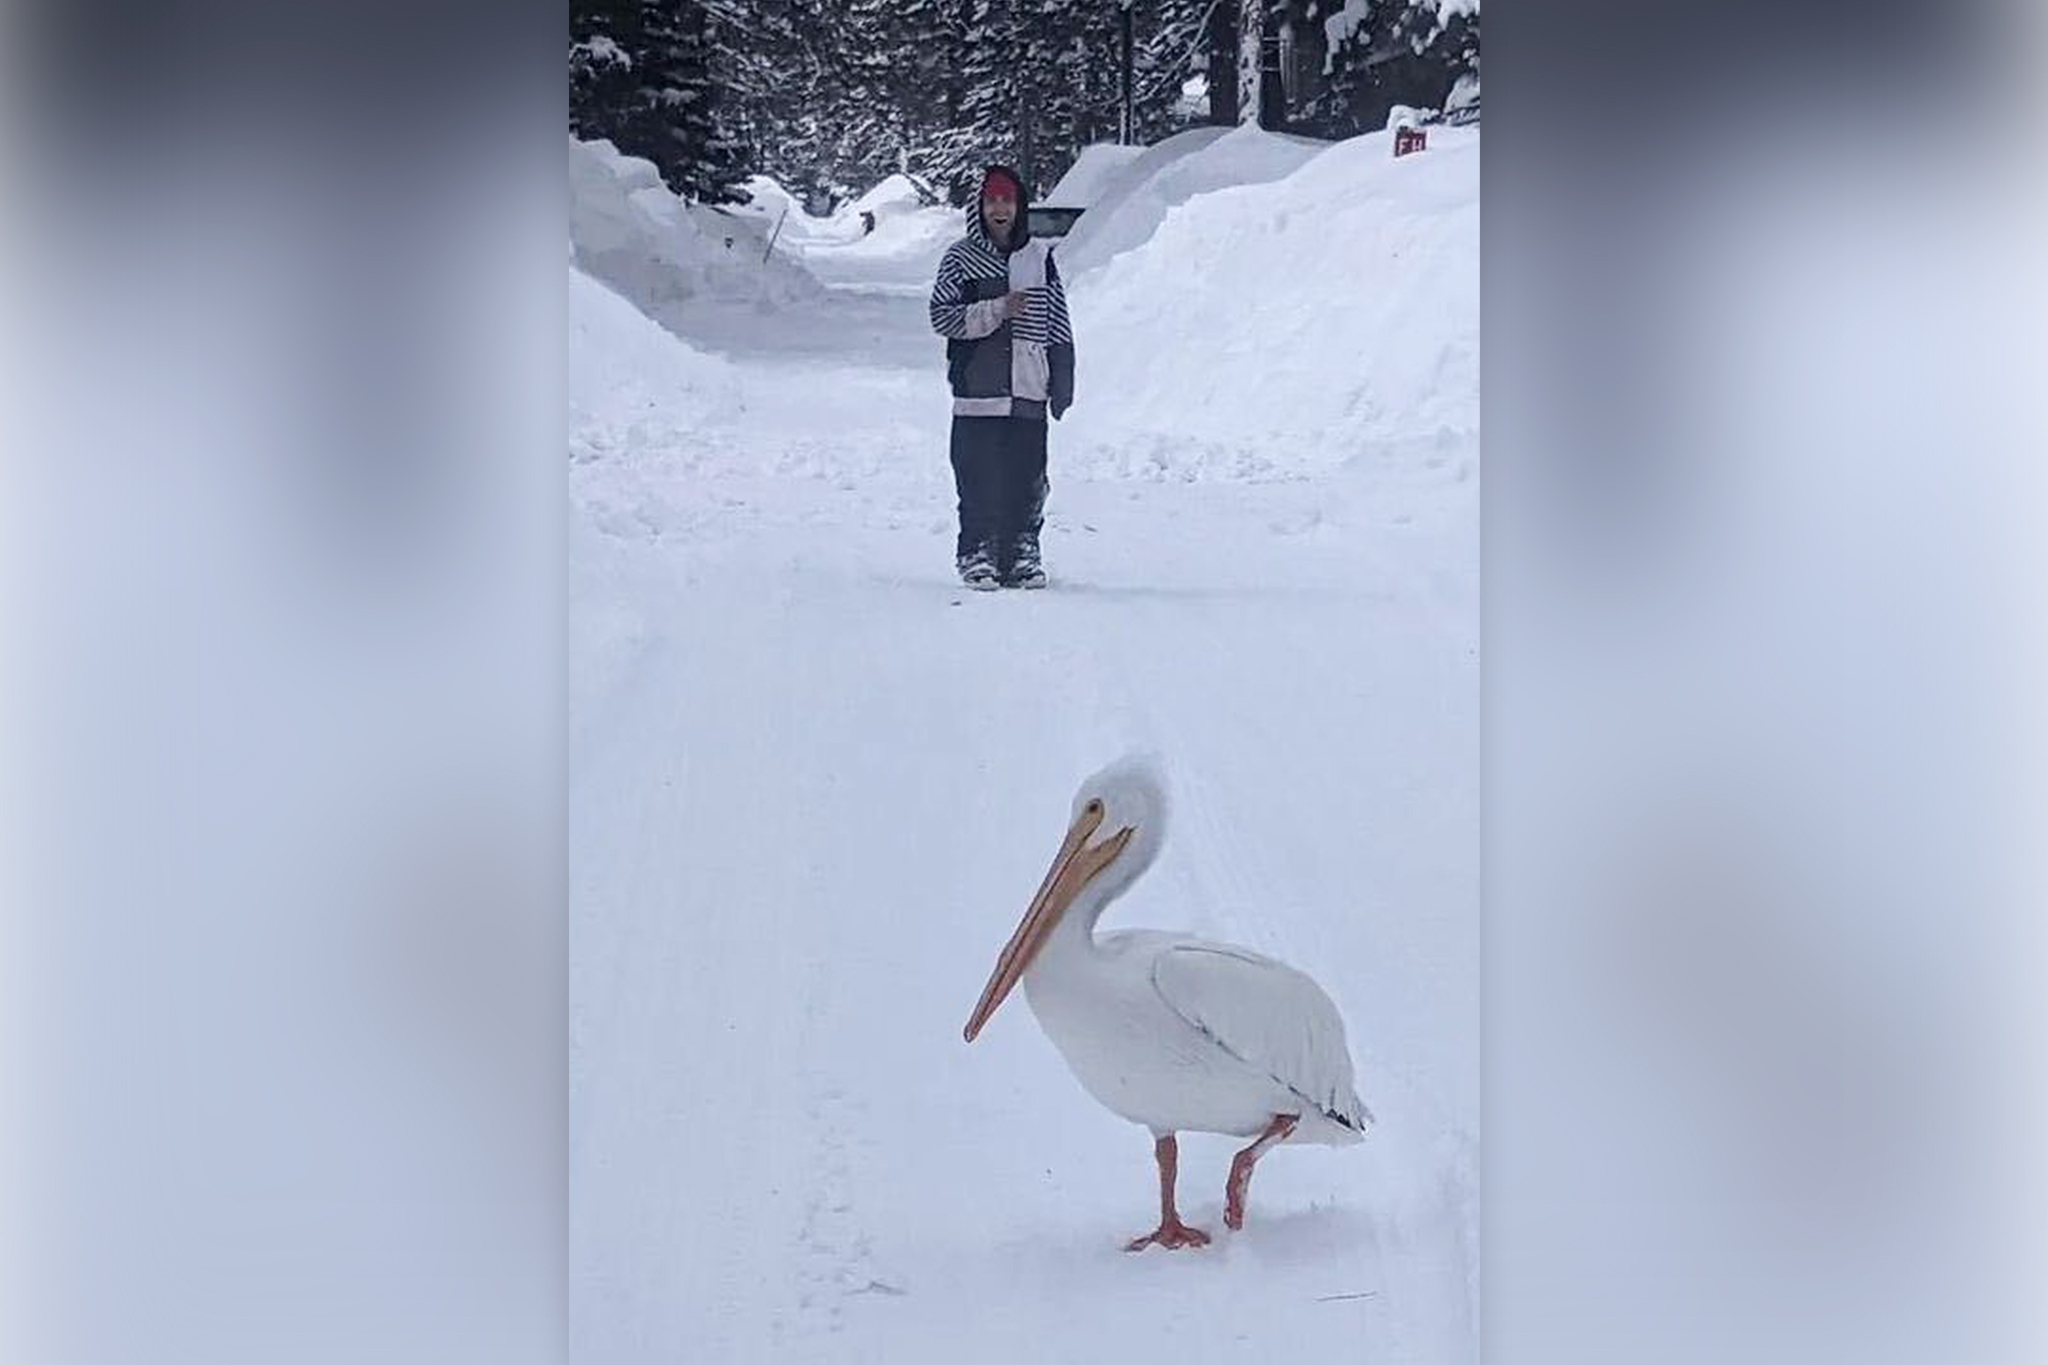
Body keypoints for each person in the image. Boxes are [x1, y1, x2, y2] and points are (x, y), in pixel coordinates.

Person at [927, 163, 1075, 590]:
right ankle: (978, 552)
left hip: (1030, 389)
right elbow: (942, 316)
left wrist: (1062, 378)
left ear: (1019, 206)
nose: (1000, 208)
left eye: (1007, 200)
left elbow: (1058, 323)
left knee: (1027, 477)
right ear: (979, 206)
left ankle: (1021, 552)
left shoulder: (1039, 259)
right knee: (978, 477)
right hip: (978, 390)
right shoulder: (959, 258)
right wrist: (995, 310)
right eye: (991, 200)